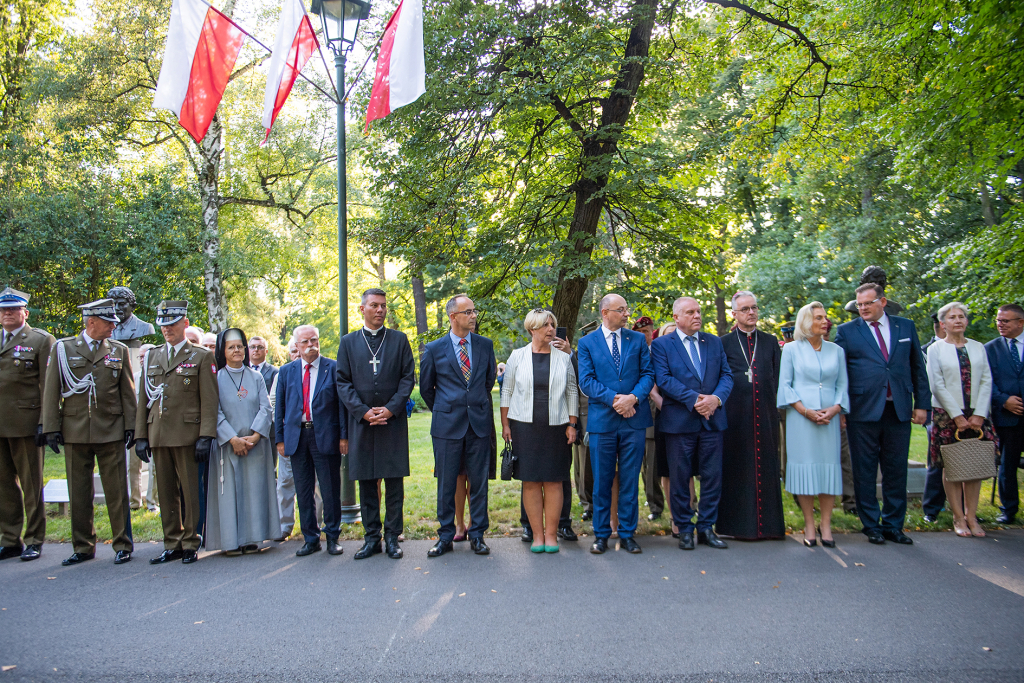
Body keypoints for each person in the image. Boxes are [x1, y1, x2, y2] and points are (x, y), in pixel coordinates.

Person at [42, 299, 137, 566]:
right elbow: (52, 390)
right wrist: (50, 427)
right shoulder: (64, 348)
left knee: (117, 492)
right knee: (80, 492)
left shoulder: (118, 350)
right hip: (76, 430)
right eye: (108, 323)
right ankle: (83, 546)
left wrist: (131, 426)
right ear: (91, 322)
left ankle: (123, 544)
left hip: (111, 430)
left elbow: (127, 393)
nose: (112, 328)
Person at [834, 283, 930, 545]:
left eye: (867, 303)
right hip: (862, 411)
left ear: (882, 301)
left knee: (896, 469)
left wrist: (922, 404)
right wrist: (840, 408)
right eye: (859, 305)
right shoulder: (846, 332)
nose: (862, 308)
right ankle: (870, 524)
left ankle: (894, 524)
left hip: (898, 409)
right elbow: (838, 374)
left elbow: (917, 368)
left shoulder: (905, 327)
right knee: (864, 470)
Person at [134, 300, 219, 565]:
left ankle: (191, 541)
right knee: (166, 490)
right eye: (163, 325)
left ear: (184, 323)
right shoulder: (153, 355)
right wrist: (140, 435)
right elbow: (144, 398)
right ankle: (172, 542)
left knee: (190, 491)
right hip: (158, 432)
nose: (166, 329)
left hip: (187, 434)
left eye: (171, 324)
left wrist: (206, 435)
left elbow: (209, 399)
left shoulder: (201, 356)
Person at [336, 289, 416, 560]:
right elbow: (342, 382)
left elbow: (408, 379)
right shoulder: (348, 342)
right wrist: (363, 412)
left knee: (394, 482)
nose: (380, 310)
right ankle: (372, 538)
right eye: (374, 305)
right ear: (362, 309)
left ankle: (393, 537)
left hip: (391, 424)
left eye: (383, 306)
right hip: (363, 424)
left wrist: (391, 409)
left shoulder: (399, 340)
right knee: (367, 482)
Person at [651, 297, 733, 551]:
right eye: (690, 312)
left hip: (712, 421)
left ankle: (706, 527)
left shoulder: (714, 342)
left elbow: (726, 375)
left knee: (712, 477)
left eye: (698, 311)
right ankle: (685, 528)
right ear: (676, 317)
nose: (697, 316)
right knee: (680, 477)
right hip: (679, 422)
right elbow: (663, 378)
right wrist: (696, 400)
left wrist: (715, 399)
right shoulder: (662, 345)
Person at [420, 294, 497, 557]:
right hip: (446, 426)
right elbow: (426, 389)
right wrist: (447, 409)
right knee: (447, 484)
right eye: (468, 312)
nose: (474, 316)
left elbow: (488, 383)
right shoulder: (433, 349)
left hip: (478, 424)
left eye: (474, 311)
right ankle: (445, 536)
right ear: (453, 317)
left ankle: (478, 535)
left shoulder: (485, 345)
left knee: (479, 483)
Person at [577, 293, 654, 555]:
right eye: (621, 310)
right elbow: (586, 381)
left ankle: (628, 533)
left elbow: (648, 374)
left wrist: (633, 398)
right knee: (601, 481)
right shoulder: (587, 342)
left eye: (627, 309)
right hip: (603, 422)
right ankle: (601, 535)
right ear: (605, 312)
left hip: (634, 420)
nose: (627, 314)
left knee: (631, 480)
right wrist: (615, 400)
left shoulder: (637, 340)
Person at [501, 309, 578, 553]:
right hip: (524, 427)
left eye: (552, 324)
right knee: (531, 482)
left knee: (555, 481)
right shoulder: (517, 356)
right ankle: (537, 535)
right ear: (532, 329)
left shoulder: (563, 358)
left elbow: (572, 392)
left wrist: (572, 423)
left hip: (557, 427)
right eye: (545, 325)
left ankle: (552, 535)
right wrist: (505, 425)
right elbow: (507, 392)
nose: (550, 329)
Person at [777, 302, 849, 547]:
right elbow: (785, 385)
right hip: (801, 418)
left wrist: (836, 408)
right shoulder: (791, 350)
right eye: (819, 317)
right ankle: (809, 523)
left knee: (828, 469)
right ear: (806, 322)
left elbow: (842, 385)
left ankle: (826, 525)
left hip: (829, 419)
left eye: (825, 317)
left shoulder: (836, 351)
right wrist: (805, 411)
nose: (824, 321)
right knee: (805, 470)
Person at [275, 325, 347, 557]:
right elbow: (280, 408)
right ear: (296, 346)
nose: (310, 345)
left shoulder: (333, 368)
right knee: (303, 490)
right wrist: (280, 439)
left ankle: (333, 537)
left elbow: (342, 407)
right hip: (297, 438)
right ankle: (310, 538)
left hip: (325, 436)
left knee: (330, 489)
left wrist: (344, 437)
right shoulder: (286, 372)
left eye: (314, 340)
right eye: (305, 342)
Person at [205, 328, 280, 554]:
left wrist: (256, 436)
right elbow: (214, 412)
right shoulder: (216, 378)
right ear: (223, 351)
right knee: (230, 494)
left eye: (240, 346)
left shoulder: (256, 377)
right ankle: (230, 542)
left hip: (255, 447)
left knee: (254, 492)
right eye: (231, 347)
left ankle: (253, 538)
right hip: (228, 446)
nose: (237, 350)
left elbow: (266, 408)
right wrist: (233, 439)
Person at [719, 291, 784, 540]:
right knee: (736, 469)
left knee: (766, 467)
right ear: (734, 314)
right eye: (745, 309)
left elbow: (777, 378)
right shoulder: (723, 343)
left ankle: (769, 527)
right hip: (735, 418)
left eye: (754, 308)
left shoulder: (769, 341)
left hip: (765, 415)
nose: (751, 312)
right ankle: (736, 527)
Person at [926, 302, 995, 538]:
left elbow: (986, 380)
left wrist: (979, 414)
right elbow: (936, 384)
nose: (958, 320)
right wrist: (957, 415)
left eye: (961, 316)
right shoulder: (936, 349)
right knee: (952, 465)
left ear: (966, 321)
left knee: (973, 465)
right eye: (952, 317)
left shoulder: (978, 347)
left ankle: (972, 516)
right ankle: (957, 517)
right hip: (947, 415)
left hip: (977, 413)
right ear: (943, 324)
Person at [0, 286, 54, 562]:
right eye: (3, 309)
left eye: (13, 309)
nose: (7, 313)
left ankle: (34, 539)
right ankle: (10, 539)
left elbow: (48, 386)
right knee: (4, 486)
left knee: (32, 485)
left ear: (25, 312)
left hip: (26, 423)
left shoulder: (40, 340)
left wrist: (46, 423)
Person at [270, 337, 320, 539]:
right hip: (292, 434)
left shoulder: (323, 369)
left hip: (316, 434)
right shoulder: (284, 373)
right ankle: (285, 526)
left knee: (315, 486)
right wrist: (284, 429)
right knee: (286, 483)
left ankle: (317, 525)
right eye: (293, 350)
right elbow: (276, 402)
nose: (298, 353)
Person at [987, 303, 1024, 525]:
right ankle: (1008, 510)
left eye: (1005, 321)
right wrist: (1004, 400)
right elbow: (985, 382)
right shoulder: (990, 349)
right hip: (1006, 415)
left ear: (1020, 322)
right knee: (1007, 465)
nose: (1000, 324)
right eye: (998, 321)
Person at [633, 316, 666, 522]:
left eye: (647, 331)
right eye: (641, 332)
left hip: (659, 414)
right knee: (645, 466)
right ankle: (652, 504)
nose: (644, 335)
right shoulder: (632, 353)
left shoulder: (659, 353)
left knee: (656, 465)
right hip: (638, 416)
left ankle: (660, 505)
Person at [921, 311, 948, 523]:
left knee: (964, 459)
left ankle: (965, 508)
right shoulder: (924, 351)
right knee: (937, 460)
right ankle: (932, 508)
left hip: (965, 411)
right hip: (936, 413)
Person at [132, 343, 159, 512]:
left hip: (155, 426)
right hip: (136, 428)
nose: (143, 360)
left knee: (154, 467)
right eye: (140, 357)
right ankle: (134, 501)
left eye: (145, 356)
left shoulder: (159, 375)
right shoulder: (133, 377)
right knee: (132, 466)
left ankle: (152, 502)